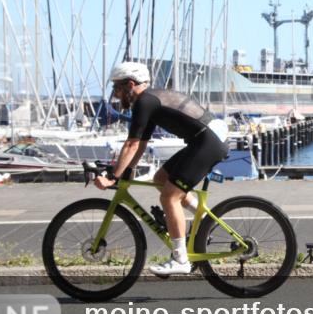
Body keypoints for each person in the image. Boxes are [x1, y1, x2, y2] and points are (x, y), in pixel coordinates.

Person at [94, 62, 228, 276]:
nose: (116, 94)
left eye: (117, 87)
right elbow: (141, 143)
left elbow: (131, 144)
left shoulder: (145, 101)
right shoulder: (149, 100)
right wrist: (127, 170)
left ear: (130, 84)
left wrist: (112, 176)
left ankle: (180, 259)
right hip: (203, 140)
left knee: (169, 197)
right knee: (160, 179)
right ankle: (204, 221)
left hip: (207, 142)